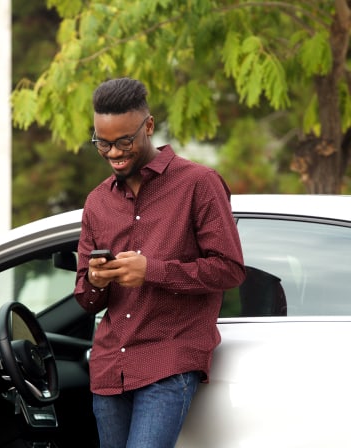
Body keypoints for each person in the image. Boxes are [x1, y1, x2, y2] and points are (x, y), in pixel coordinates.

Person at [74, 77, 246, 448]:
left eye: (124, 142)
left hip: (168, 360)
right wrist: (96, 281)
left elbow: (229, 269)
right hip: (109, 368)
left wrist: (150, 270)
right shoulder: (96, 203)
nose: (114, 153)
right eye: (102, 143)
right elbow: (86, 300)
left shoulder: (198, 183)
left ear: (148, 126)